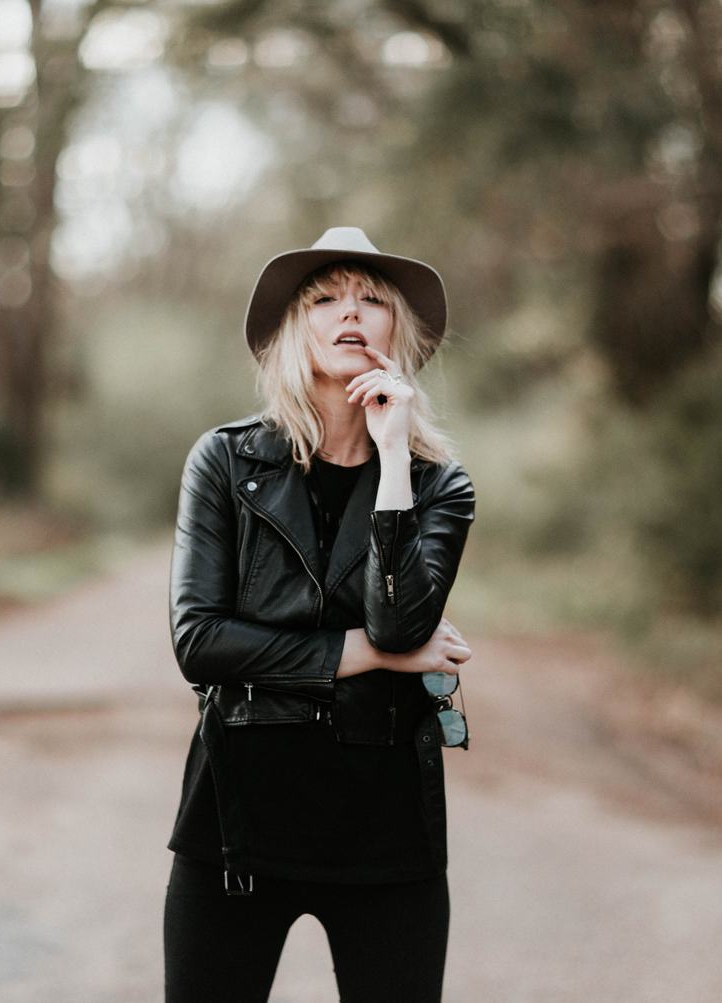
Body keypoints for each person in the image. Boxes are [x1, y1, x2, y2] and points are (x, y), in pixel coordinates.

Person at [163, 226, 477, 1002]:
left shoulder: (441, 483)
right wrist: (366, 656)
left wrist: (396, 458)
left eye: (372, 300)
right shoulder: (226, 461)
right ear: (294, 331)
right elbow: (200, 641)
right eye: (324, 299)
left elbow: (403, 623)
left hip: (386, 829)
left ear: (396, 334)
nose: (350, 313)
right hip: (239, 819)